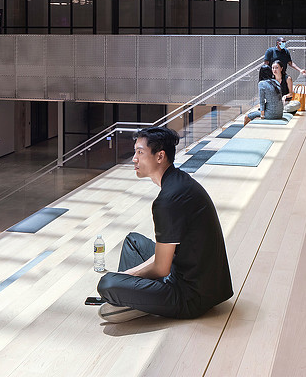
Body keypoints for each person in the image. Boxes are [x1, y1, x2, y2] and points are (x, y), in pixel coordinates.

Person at [96, 127, 233, 323]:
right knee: (133, 242)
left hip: (191, 297)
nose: (134, 158)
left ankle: (133, 299)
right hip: (211, 286)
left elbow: (161, 269)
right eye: (135, 152)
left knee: (107, 283)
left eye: (140, 152)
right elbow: (173, 252)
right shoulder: (180, 182)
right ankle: (135, 297)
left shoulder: (168, 200)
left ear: (160, 156)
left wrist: (125, 276)